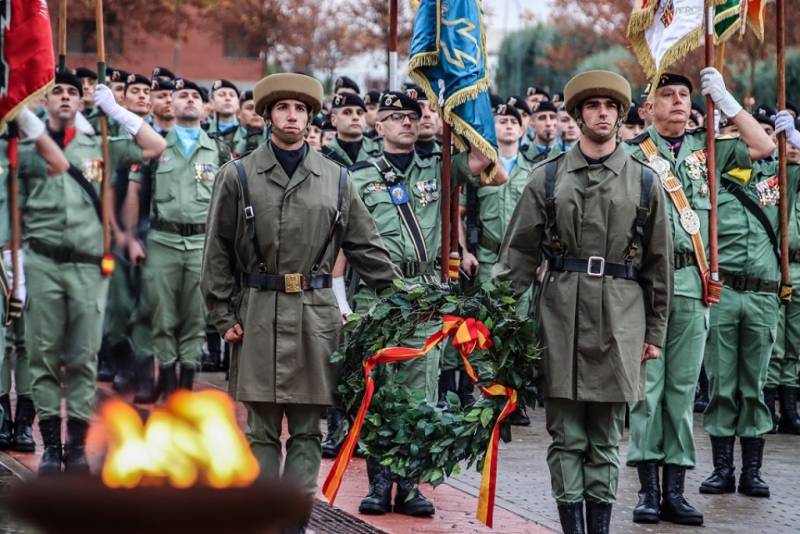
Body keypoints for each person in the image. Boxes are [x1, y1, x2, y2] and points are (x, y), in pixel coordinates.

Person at [201, 73, 400, 528]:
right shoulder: (237, 175)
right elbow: (216, 251)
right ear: (268, 114)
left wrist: (406, 300)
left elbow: (367, 248)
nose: (292, 116)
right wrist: (221, 312)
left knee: (309, 430)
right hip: (258, 312)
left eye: (301, 109)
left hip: (316, 315)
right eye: (283, 107)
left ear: (311, 118)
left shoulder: (336, 179)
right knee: (263, 431)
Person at [493, 70, 672, 534]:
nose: (603, 114)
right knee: (566, 434)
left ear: (620, 114)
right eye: (593, 106)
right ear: (578, 115)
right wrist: (496, 324)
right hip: (560, 312)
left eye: (611, 107)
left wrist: (654, 333)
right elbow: (516, 257)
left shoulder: (646, 183)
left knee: (606, 436)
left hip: (622, 313)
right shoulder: (547, 178)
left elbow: (659, 266)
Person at [624, 70, 775, 523]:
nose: (677, 102)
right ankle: (647, 491)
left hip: (692, 287)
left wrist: (726, 101)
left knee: (682, 391)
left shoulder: (709, 151)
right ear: (647, 108)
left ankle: (676, 489)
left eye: (684, 96)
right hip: (645, 288)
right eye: (666, 96)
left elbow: (764, 147)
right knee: (647, 392)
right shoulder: (631, 156)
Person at [348, 91, 506, 518]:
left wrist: (461, 105)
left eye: (411, 117)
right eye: (394, 117)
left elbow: (493, 170)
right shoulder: (358, 176)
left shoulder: (440, 164)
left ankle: (410, 484)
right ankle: (379, 484)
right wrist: (337, 298)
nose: (405, 122)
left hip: (424, 291)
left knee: (419, 390)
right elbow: (339, 236)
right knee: (378, 391)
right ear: (377, 126)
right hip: (377, 295)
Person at [18, 70, 165, 474]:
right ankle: (50, 445)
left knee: (83, 357)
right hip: (43, 262)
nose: (64, 97)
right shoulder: (28, 150)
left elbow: (155, 145)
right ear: (45, 102)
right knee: (44, 355)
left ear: (81, 103)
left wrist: (116, 110)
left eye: (71, 92)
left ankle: (76, 446)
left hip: (87, 266)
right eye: (56, 92)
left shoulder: (102, 145)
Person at [122, 78, 230, 400]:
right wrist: (130, 238)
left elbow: (230, 202)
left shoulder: (219, 150)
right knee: (162, 316)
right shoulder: (155, 145)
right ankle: (167, 383)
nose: (189, 100)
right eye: (182, 96)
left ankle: (184, 387)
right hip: (163, 241)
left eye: (195, 96)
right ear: (172, 103)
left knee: (195, 318)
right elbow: (134, 192)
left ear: (205, 106)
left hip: (201, 244)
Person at [0, 108, 70, 453]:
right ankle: (1, 415)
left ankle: (23, 421)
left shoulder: (18, 150)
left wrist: (25, 116)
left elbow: (59, 163)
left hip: (20, 254)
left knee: (27, 342)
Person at [765, 111, 800, 434]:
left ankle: (790, 408)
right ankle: (770, 406)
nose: (791, 147)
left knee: (796, 342)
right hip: (777, 265)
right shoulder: (777, 175)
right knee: (774, 342)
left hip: (799, 268)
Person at [321, 92, 381, 167]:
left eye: (359, 113)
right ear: (334, 120)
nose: (355, 117)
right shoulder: (322, 155)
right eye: (347, 112)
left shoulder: (381, 149)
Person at [207, 79, 242, 153]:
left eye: (232, 95)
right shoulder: (203, 131)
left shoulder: (248, 131)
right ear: (211, 101)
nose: (228, 98)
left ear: (238, 102)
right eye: (222, 95)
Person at [234, 90, 268, 157]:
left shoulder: (276, 137)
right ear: (238, 113)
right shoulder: (226, 138)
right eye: (250, 108)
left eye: (260, 108)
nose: (255, 113)